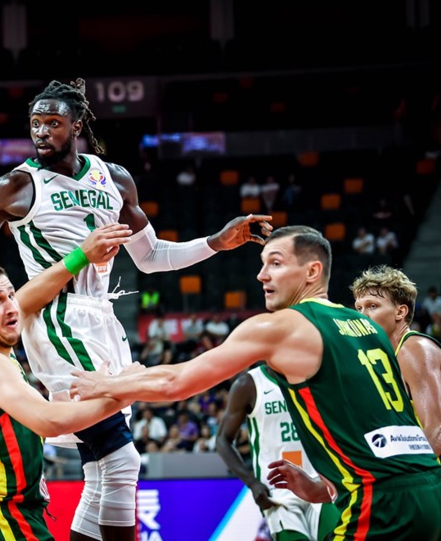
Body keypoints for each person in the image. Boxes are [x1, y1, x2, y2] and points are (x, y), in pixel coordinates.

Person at [0, 77, 272, 541]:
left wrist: (217, 243)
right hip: (57, 316)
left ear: (77, 125)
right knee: (121, 459)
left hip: (103, 316)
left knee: (104, 469)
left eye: (53, 123)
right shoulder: (17, 186)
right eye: (35, 123)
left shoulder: (115, 178)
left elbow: (151, 256)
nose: (42, 132)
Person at [70, 225, 441, 539]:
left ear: (312, 272)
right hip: (428, 490)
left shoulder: (284, 326)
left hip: (378, 503)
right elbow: (374, 431)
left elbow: (178, 381)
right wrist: (324, 487)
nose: (261, 275)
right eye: (262, 265)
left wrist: (107, 385)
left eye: (275, 264)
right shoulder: (367, 328)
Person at [0, 224, 137, 541]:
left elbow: (32, 296)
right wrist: (123, 391)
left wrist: (81, 256)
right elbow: (49, 422)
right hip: (1, 521)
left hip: (8, 517)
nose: (11, 306)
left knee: (100, 477)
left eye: (10, 295)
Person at [216, 364, 339, 541]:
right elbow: (222, 440)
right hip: (278, 492)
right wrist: (252, 483)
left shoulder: (315, 376)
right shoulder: (249, 384)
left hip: (320, 483)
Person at [351, 265, 441, 457]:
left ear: (400, 312)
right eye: (358, 308)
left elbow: (437, 431)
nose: (362, 316)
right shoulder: (383, 359)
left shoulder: (414, 349)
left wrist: (399, 478)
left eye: (372, 306)